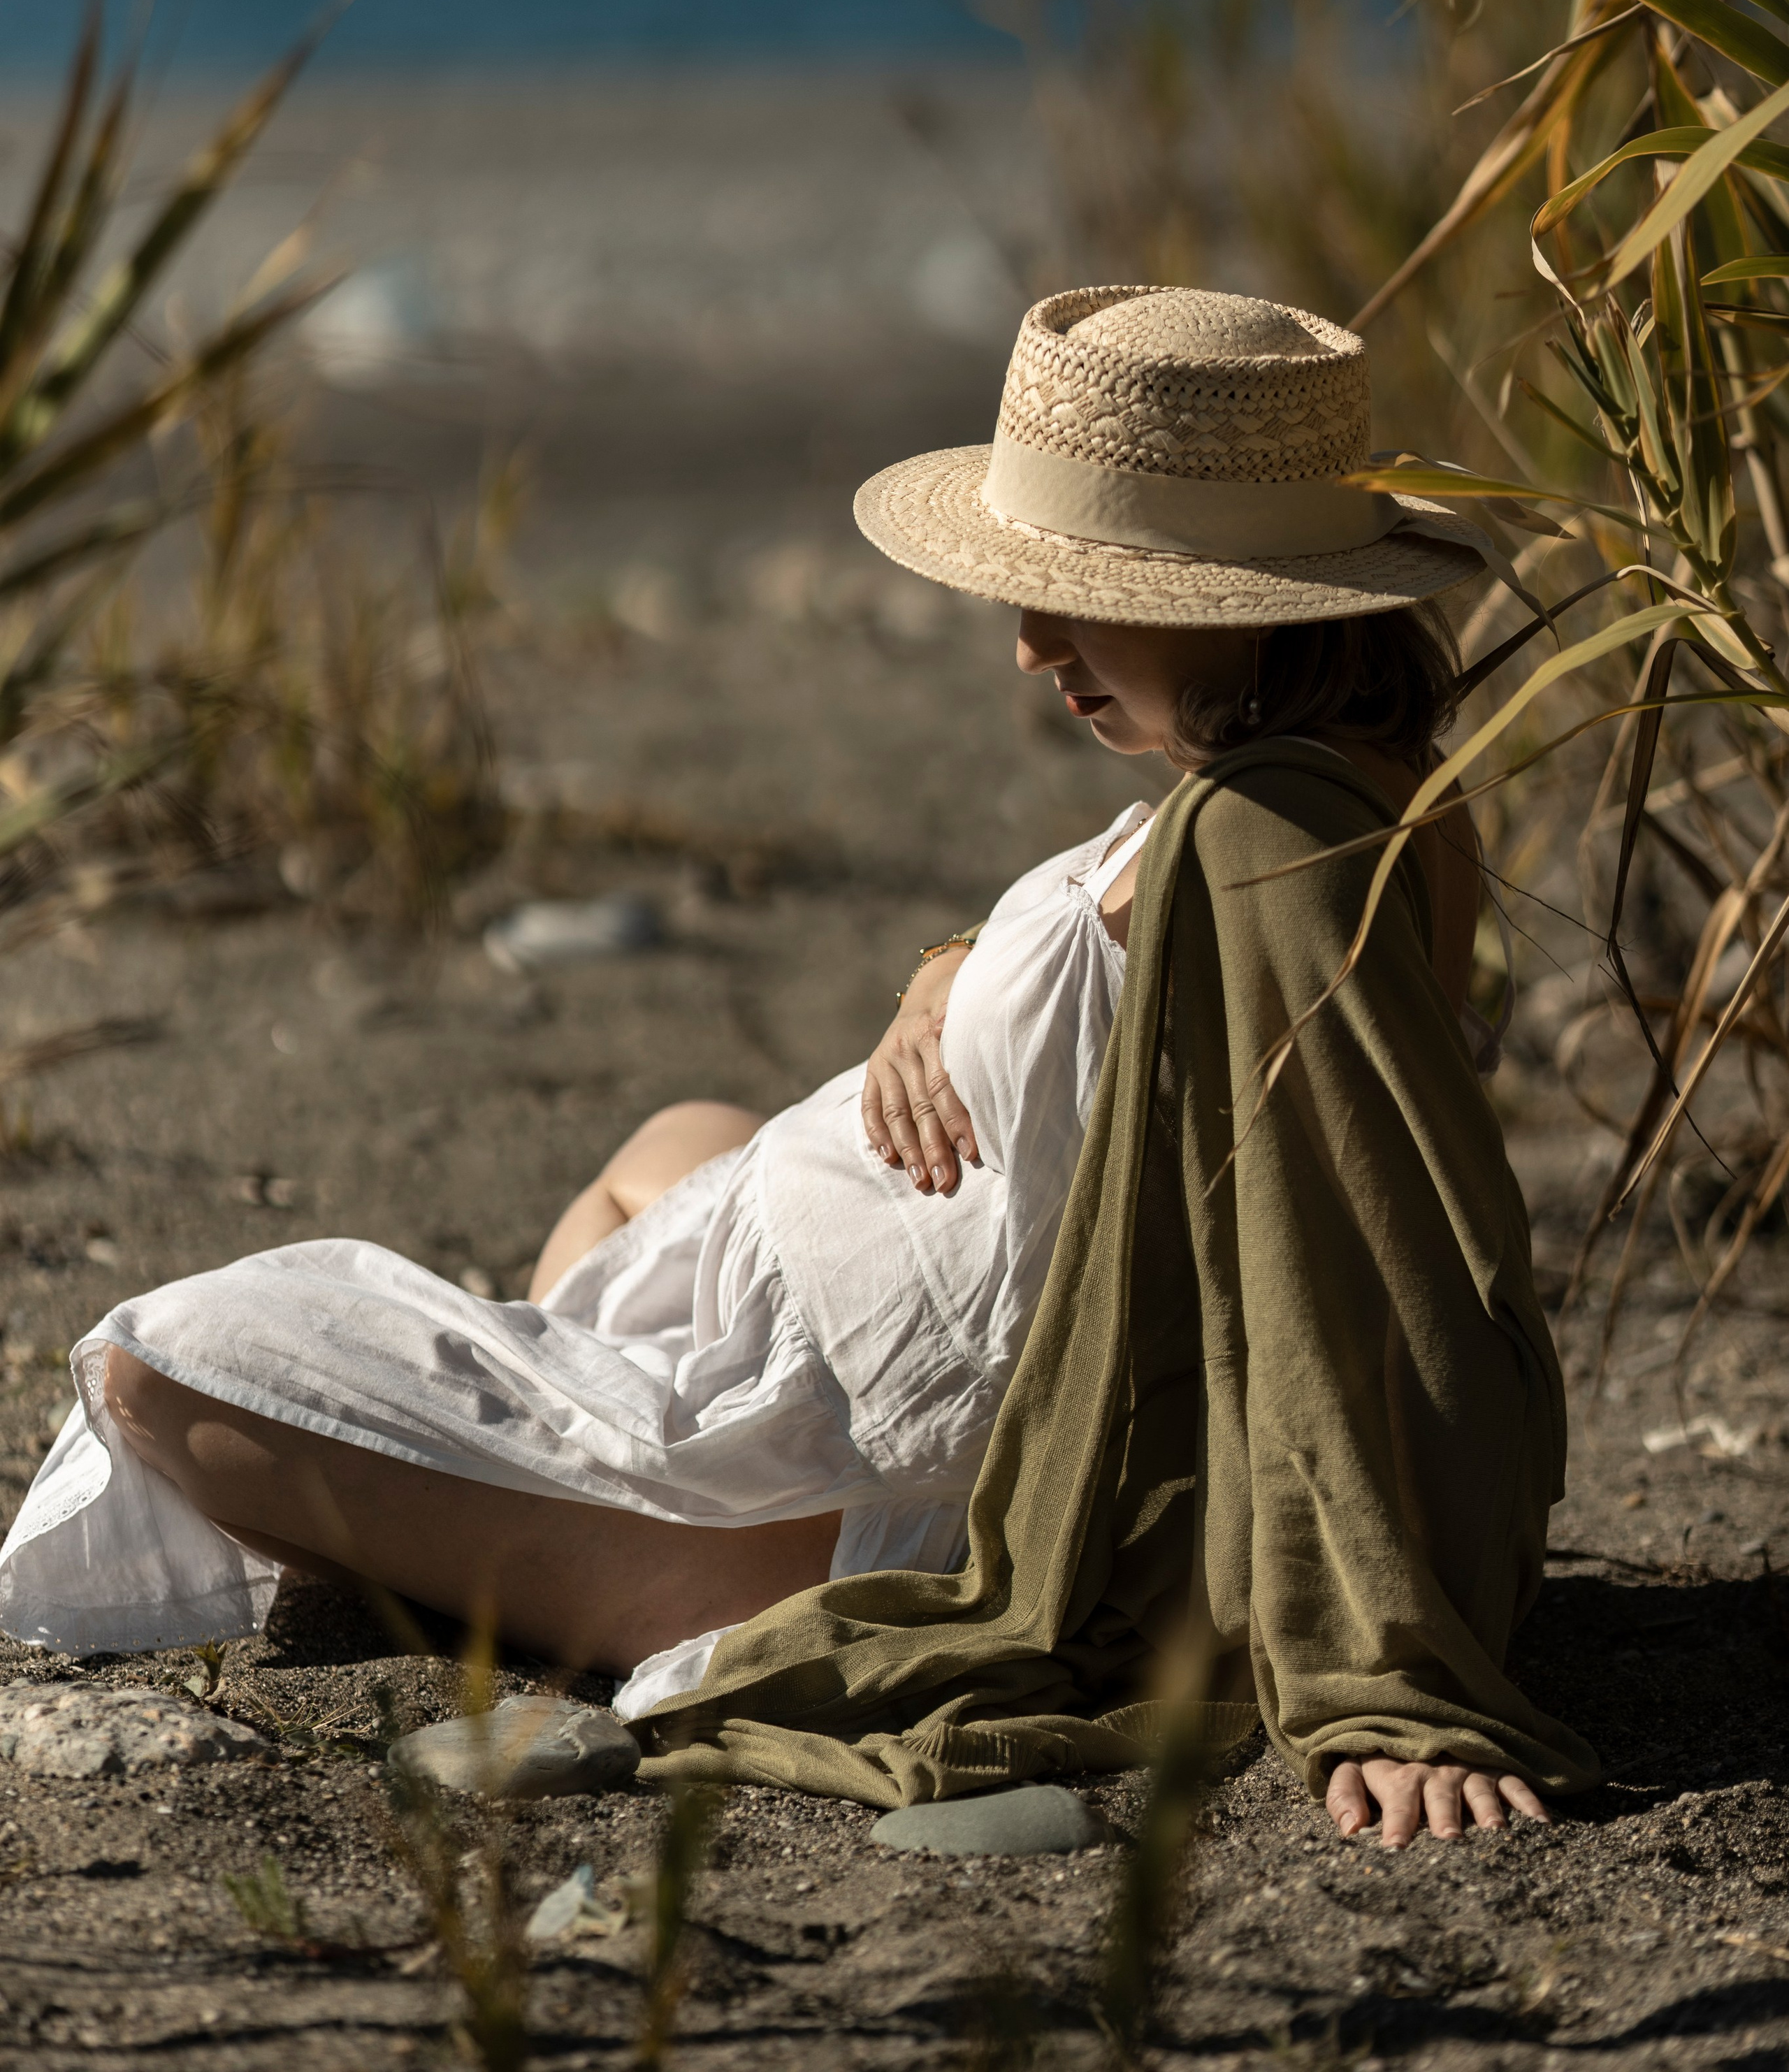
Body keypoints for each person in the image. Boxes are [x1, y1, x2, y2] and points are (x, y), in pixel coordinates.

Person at [0, 285, 1598, 1844]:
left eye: (1078, 594)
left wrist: (1384, 1674)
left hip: (842, 1449)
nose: (1030, 648)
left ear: (1226, 600)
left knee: (154, 1371)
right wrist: (941, 981)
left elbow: (1341, 1251)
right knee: (674, 1134)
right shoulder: (1325, 786)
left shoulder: (1273, 843)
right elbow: (1140, 977)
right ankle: (485, 1486)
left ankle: (547, 1543)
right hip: (819, 1299)